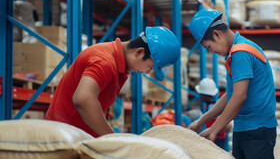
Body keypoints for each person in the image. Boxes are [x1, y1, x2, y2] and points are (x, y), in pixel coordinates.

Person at [187, 8, 279, 159]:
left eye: (209, 47)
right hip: (246, 131)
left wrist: (216, 129)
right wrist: (202, 121)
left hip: (258, 131)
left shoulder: (241, 53)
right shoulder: (235, 53)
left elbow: (239, 97)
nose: (212, 51)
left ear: (217, 35)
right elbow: (229, 95)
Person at [45, 26, 180, 137]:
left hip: (79, 137)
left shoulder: (119, 65)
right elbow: (83, 98)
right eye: (150, 67)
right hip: (64, 137)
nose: (147, 72)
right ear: (139, 52)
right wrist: (112, 139)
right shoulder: (105, 61)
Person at [195, 77, 232, 151]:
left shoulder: (212, 107)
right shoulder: (213, 105)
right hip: (217, 136)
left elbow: (228, 127)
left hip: (217, 139)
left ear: (203, 94)